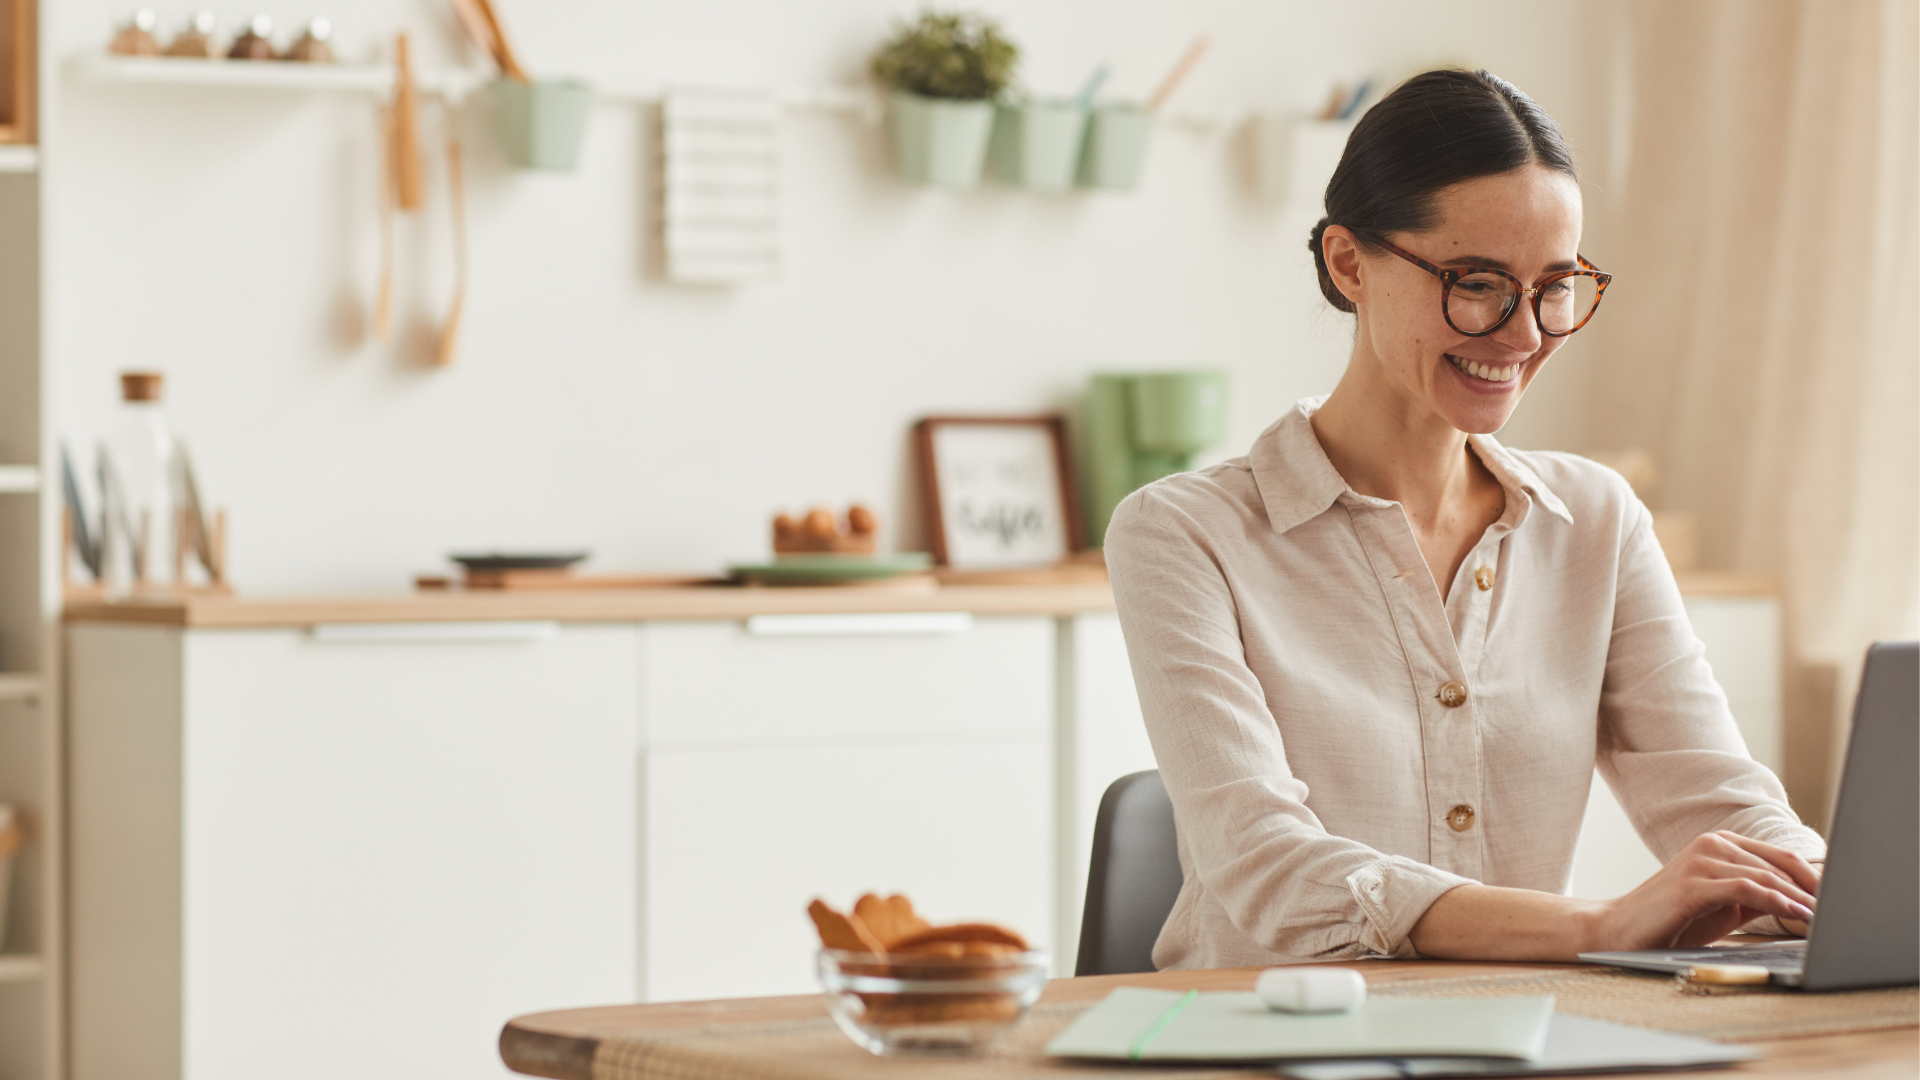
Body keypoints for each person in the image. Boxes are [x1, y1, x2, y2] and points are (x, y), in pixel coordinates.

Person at [1103, 68, 1824, 969]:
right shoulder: (1183, 533)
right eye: (1477, 281)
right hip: (1264, 1042)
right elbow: (1267, 869)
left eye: (1555, 285)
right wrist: (1598, 929)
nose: (1522, 333)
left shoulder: (1596, 522)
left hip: (1523, 1038)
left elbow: (1721, 801)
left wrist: (1832, 889)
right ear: (1348, 262)